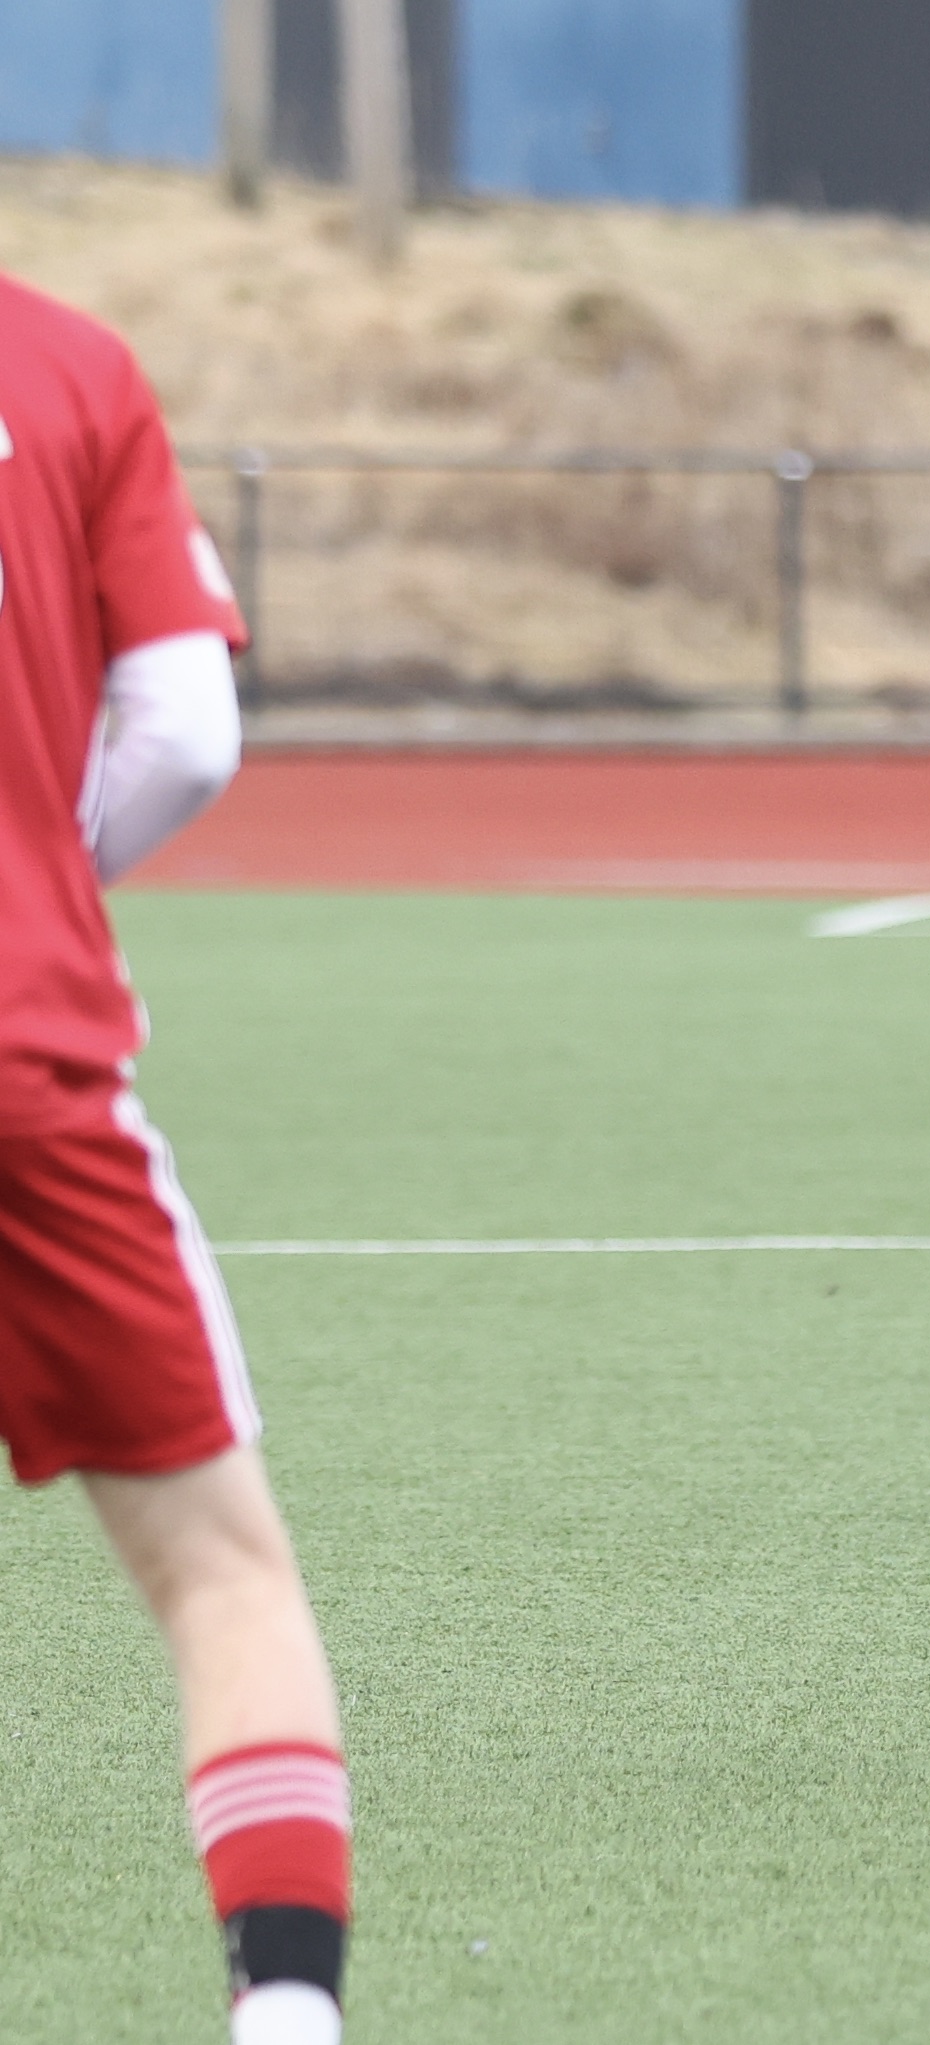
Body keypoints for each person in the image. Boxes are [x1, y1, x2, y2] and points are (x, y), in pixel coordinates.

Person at [0, 271, 351, 2044]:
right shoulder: (65, 363)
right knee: (220, 1574)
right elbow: (190, 732)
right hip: (28, 1048)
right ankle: (285, 2024)